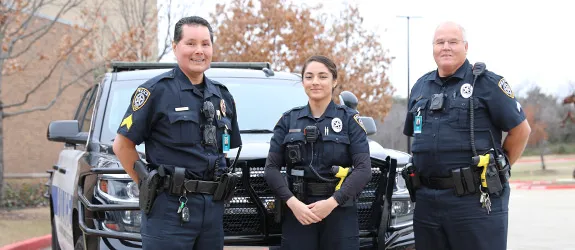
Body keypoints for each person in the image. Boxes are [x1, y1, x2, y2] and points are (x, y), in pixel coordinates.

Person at [112, 16, 242, 250]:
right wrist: (148, 185)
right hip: (169, 208)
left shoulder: (222, 96)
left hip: (212, 209)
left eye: (205, 44)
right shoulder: (155, 91)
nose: (199, 51)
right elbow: (122, 146)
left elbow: (224, 149)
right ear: (175, 47)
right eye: (190, 43)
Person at [402, 21, 531, 250]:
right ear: (433, 48)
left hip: (475, 202)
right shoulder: (420, 87)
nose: (446, 47)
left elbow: (521, 130)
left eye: (453, 42)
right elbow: (415, 136)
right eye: (440, 42)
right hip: (427, 203)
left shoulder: (487, 83)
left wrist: (499, 168)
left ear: (466, 46)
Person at [264, 55, 372, 250]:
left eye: (322, 76)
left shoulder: (349, 120)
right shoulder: (288, 120)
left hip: (339, 211)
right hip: (299, 212)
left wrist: (332, 202)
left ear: (334, 81)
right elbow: (271, 168)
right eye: (309, 76)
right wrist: (293, 203)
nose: (315, 82)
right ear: (303, 81)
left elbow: (364, 169)